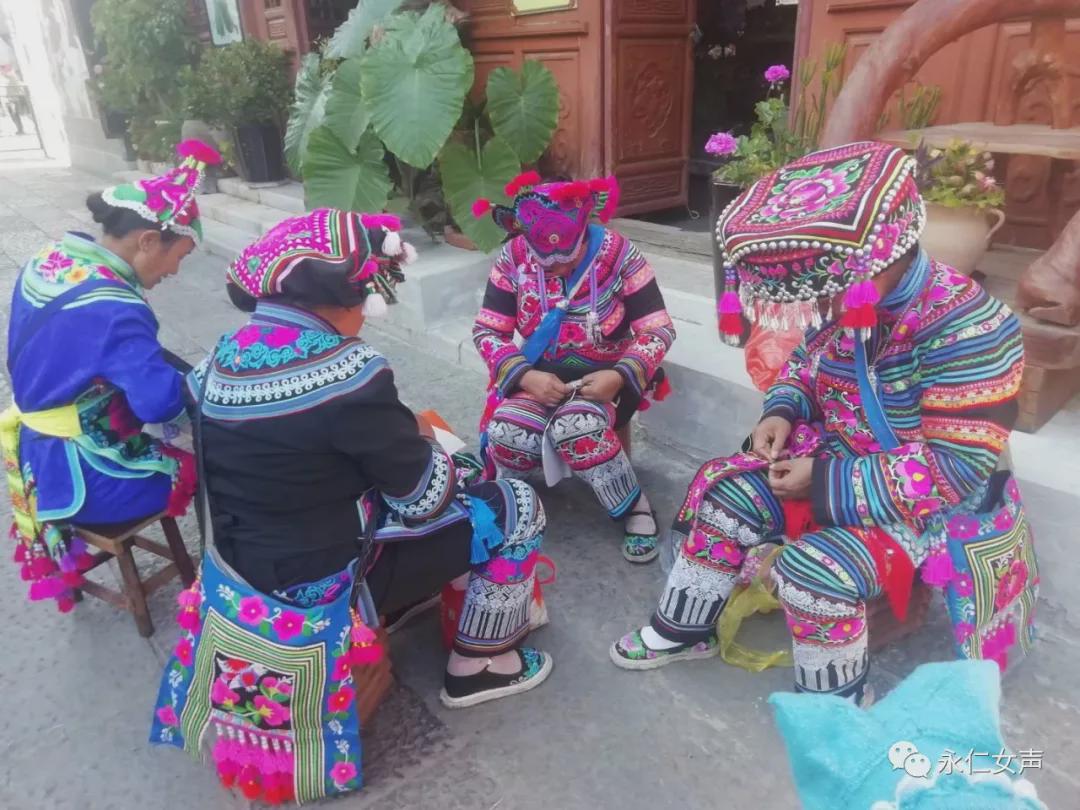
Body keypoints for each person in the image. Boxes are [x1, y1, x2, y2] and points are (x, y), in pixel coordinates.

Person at [150, 210, 552, 804]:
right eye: (369, 292)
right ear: (344, 295)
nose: (367, 310)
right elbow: (422, 499)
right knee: (511, 503)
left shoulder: (217, 362)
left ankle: (414, 601)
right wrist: (428, 442)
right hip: (328, 581)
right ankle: (480, 665)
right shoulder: (348, 371)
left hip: (241, 574)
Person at [610, 142, 1028, 705]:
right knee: (727, 496)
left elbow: (955, 470)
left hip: (927, 506)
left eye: (826, 289)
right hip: (834, 462)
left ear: (881, 255)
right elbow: (805, 368)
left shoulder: (972, 325)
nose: (819, 306)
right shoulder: (848, 304)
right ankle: (683, 629)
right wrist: (781, 411)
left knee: (812, 573)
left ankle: (835, 703)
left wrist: (823, 481)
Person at [0, 141, 218, 612]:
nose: (175, 271)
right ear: (147, 241)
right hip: (85, 472)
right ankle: (220, 581)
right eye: (179, 256)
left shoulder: (51, 259)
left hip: (36, 455)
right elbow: (159, 404)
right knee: (215, 464)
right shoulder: (116, 307)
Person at [472, 173, 675, 562]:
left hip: (607, 380)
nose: (559, 270)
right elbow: (488, 331)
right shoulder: (513, 257)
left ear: (583, 232)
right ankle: (513, 502)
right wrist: (527, 376)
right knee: (507, 431)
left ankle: (634, 505)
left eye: (569, 260)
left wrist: (618, 375)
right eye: (547, 265)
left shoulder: (619, 253)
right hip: (536, 378)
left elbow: (658, 329)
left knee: (577, 428)